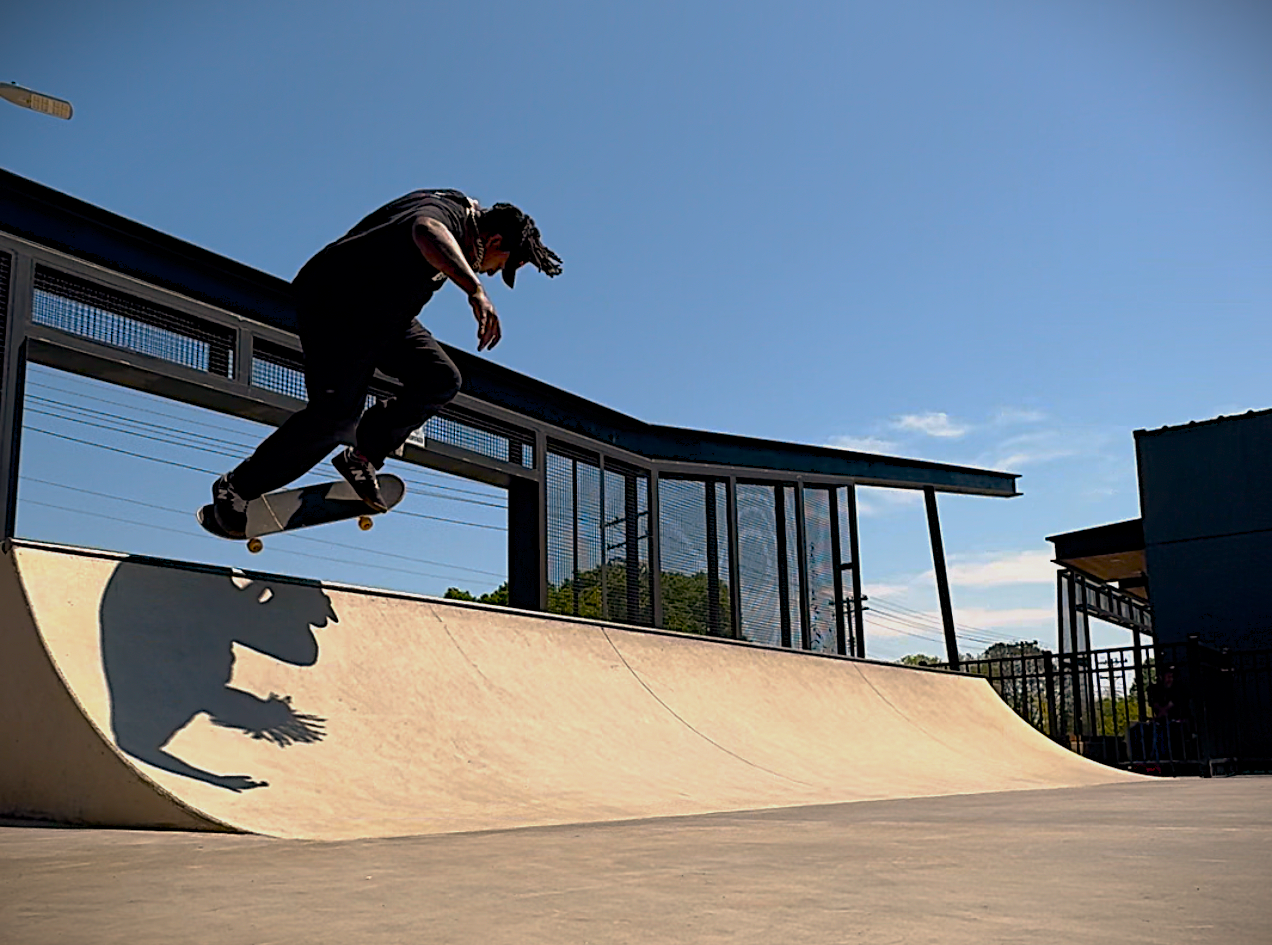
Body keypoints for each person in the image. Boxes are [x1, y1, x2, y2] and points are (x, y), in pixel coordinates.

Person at [203, 189, 562, 538]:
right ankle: (235, 488)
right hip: (336, 307)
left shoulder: (457, 207)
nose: (490, 273)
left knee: (440, 378)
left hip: (385, 319)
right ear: (495, 240)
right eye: (499, 266)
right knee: (335, 417)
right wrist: (474, 290)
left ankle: (363, 457)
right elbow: (425, 229)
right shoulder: (445, 218)